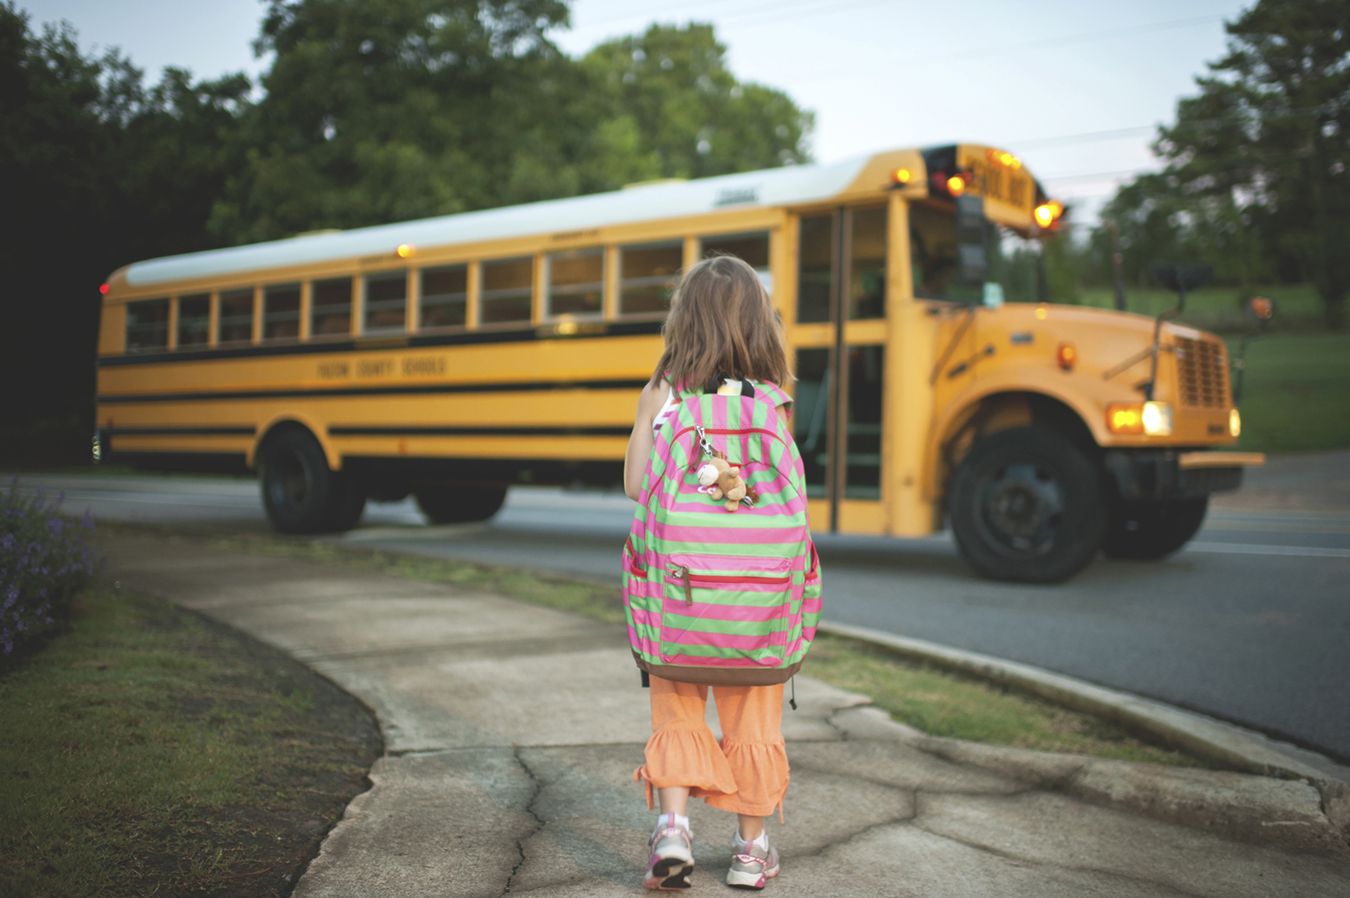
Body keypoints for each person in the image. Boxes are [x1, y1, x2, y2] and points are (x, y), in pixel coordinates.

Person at [623, 255, 796, 891]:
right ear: (759, 323)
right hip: (756, 602)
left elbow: (638, 487)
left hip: (679, 595)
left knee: (677, 713)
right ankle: (751, 853)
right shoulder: (774, 401)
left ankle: (673, 832)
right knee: (755, 720)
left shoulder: (664, 393)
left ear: (683, 318)